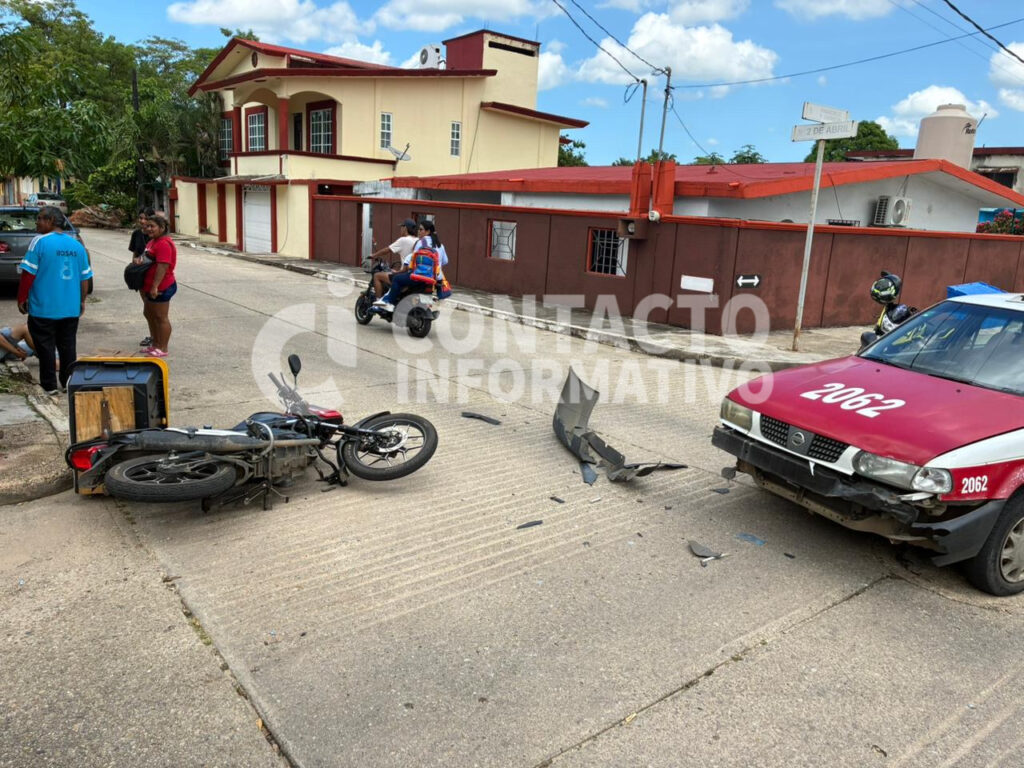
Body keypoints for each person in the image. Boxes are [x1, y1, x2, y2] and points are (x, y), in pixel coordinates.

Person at [17, 206, 93, 395]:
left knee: (45, 348)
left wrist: (22, 298)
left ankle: (49, 386)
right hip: (70, 308)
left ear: (50, 220)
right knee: (68, 348)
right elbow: (85, 278)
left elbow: (28, 273)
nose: (37, 222)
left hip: (43, 308)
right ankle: (68, 383)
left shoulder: (39, 241)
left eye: (40, 218)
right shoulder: (77, 245)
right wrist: (81, 301)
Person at [373, 220, 444, 311]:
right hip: (434, 278)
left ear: (428, 231)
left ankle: (389, 303)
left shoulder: (420, 242)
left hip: (418, 276)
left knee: (396, 279)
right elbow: (444, 261)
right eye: (418, 229)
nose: (418, 231)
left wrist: (374, 255)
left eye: (421, 229)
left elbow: (412, 259)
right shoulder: (440, 245)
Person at [140, 214, 177, 358]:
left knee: (161, 317)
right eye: (147, 226)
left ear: (161, 228)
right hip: (149, 286)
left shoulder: (163, 244)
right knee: (149, 314)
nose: (149, 228)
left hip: (162, 287)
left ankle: (163, 347)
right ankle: (155, 344)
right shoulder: (152, 242)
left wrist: (155, 286)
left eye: (152, 226)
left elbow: (163, 266)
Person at [368, 219, 418, 298]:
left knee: (377, 276)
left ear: (405, 228)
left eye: (401, 227)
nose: (400, 229)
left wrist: (374, 255)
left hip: (405, 275)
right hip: (414, 274)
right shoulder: (418, 240)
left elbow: (387, 250)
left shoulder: (403, 240)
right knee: (392, 272)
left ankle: (378, 301)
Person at [129, 207, 156, 346]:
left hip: (153, 275)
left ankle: (158, 337)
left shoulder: (155, 235)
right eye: (141, 218)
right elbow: (135, 253)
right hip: (141, 275)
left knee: (155, 308)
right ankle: (153, 335)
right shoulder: (136, 234)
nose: (143, 221)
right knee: (147, 308)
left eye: (146, 218)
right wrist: (133, 270)